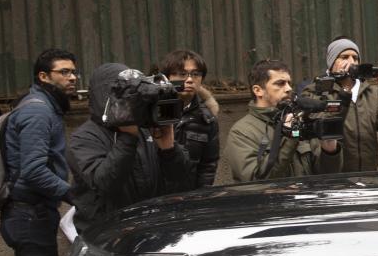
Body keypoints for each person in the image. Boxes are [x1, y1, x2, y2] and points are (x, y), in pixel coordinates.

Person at [68, 63, 193, 237]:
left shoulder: (146, 128)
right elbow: (104, 184)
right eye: (126, 96)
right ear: (107, 95)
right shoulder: (83, 138)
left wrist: (169, 150)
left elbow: (183, 181)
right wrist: (128, 137)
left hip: (152, 230)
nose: (132, 101)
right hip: (107, 237)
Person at [0, 49, 77, 256]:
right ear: (43, 76)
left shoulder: (45, 108)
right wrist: (72, 194)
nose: (73, 77)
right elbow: (33, 171)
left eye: (74, 71)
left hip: (35, 213)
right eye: (64, 72)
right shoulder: (38, 112)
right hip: (28, 214)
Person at [227, 59, 342, 182]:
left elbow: (327, 176)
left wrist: (330, 151)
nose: (288, 88)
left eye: (289, 83)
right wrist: (291, 136)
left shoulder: (300, 120)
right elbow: (255, 180)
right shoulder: (242, 132)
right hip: (271, 201)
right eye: (280, 83)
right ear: (258, 90)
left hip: (305, 200)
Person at [303, 37, 378, 172]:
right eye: (344, 57)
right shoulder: (315, 91)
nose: (351, 62)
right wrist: (345, 91)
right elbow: (327, 127)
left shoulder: (371, 92)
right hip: (334, 176)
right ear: (331, 62)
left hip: (369, 175)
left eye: (355, 58)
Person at [158, 49, 220, 187]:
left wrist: (200, 197)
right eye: (181, 74)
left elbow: (208, 167)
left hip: (187, 197)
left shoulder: (207, 119)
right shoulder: (155, 111)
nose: (190, 80)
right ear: (167, 78)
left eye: (196, 74)